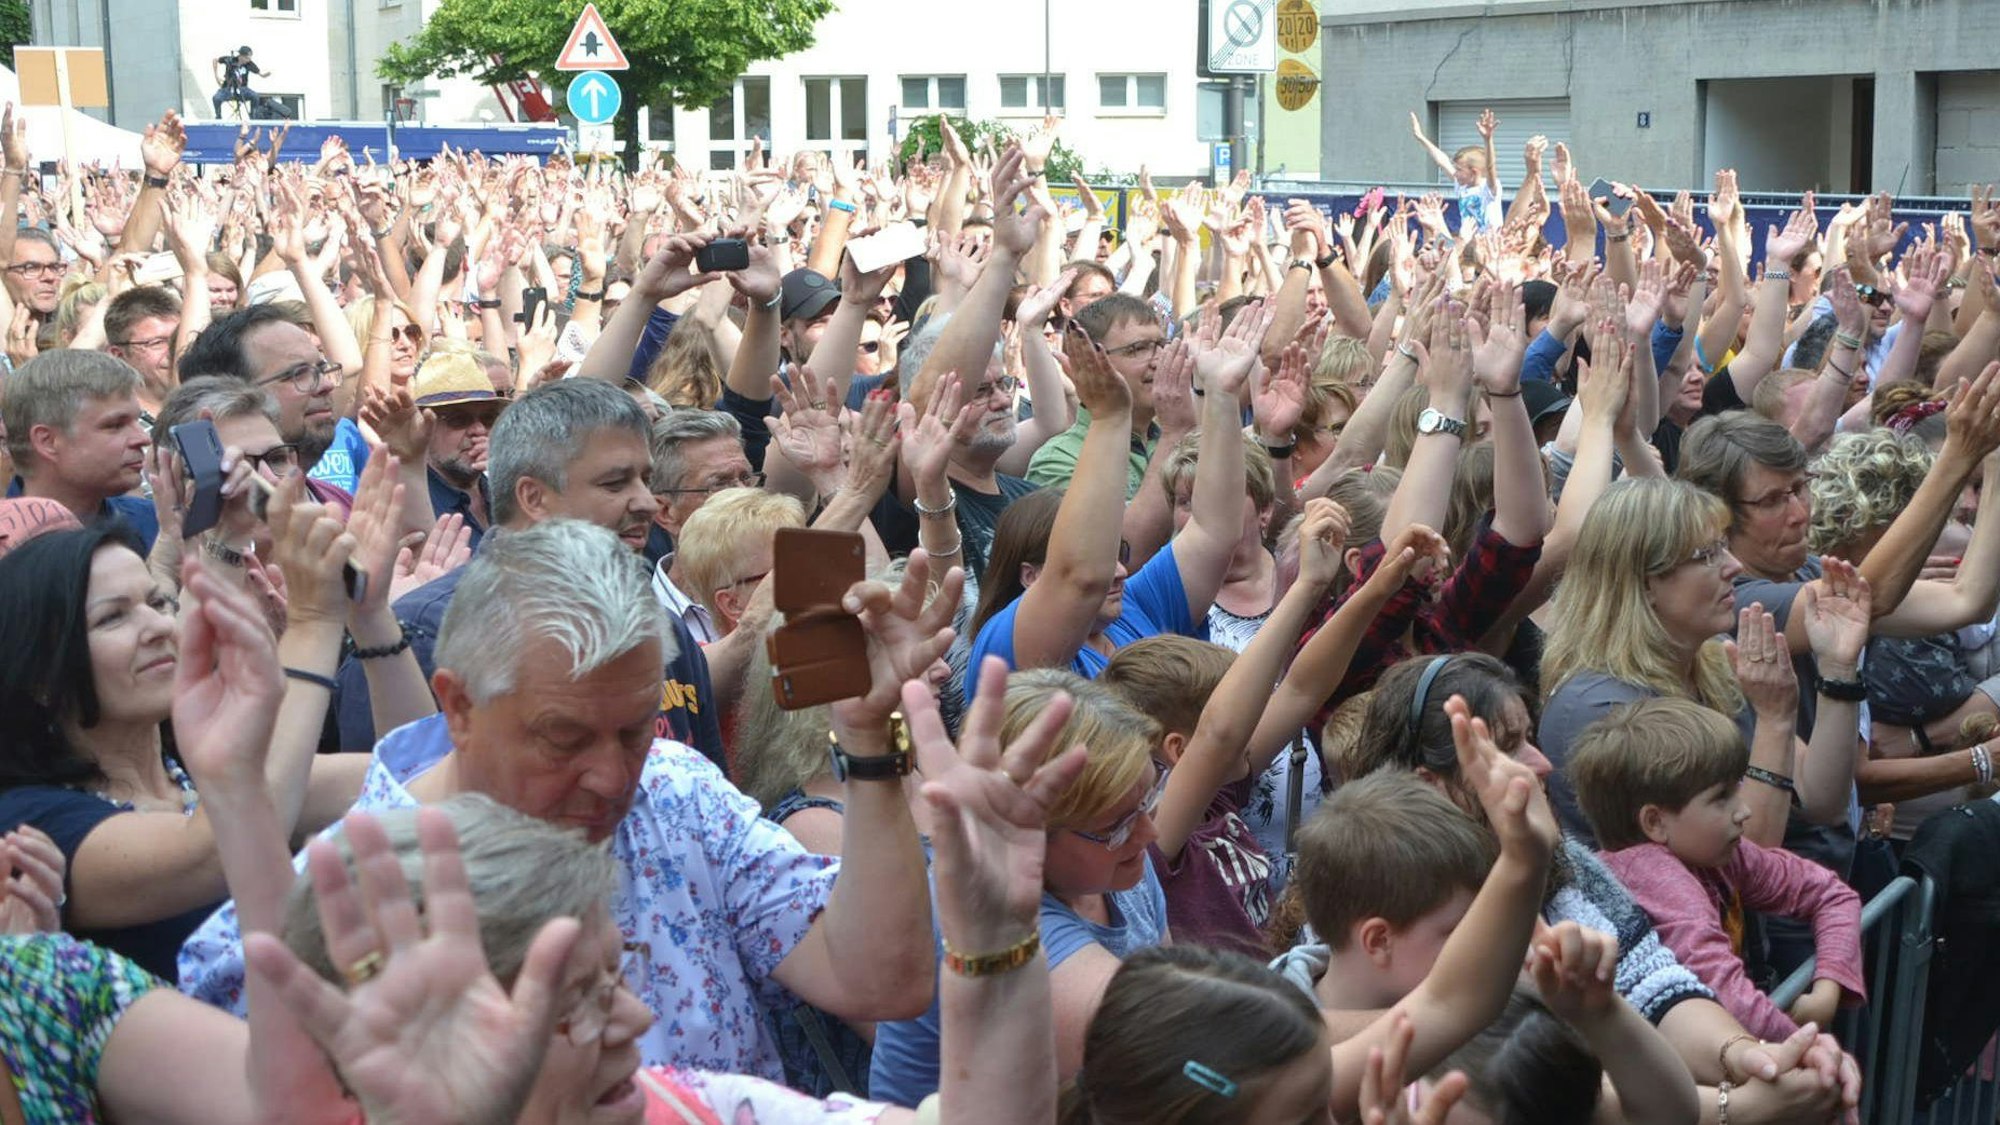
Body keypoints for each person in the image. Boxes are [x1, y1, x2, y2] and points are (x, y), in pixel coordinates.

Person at [185, 519, 948, 1086]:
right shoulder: (331, 904)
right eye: (564, 738)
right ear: (457, 705)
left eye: (632, 730)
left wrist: (868, 742)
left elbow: (879, 981)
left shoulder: (676, 788)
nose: (614, 778)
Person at [1347, 651, 1862, 1124]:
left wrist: (1753, 1054)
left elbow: (1657, 987)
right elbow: (1546, 1087)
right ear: (1430, 784)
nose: (1542, 763)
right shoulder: (1394, 909)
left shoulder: (1571, 866)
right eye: (1507, 748)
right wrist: (1737, 1108)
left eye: (1530, 738)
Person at [0, 471, 405, 980]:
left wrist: (369, 614)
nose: (157, 628)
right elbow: (226, 850)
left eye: (157, 602)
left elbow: (403, 772)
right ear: (39, 674)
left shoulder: (189, 770)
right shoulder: (29, 824)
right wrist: (314, 622)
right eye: (112, 618)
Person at [331, 379, 724, 764]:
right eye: (615, 483)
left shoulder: (661, 625)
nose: (646, 503)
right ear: (533, 498)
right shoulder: (420, 636)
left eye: (647, 479)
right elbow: (388, 805)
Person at [870, 668, 1168, 1104]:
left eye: (1147, 802)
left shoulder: (1118, 864)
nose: (1149, 833)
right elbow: (1171, 1061)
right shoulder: (991, 913)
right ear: (1025, 833)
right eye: (1117, 826)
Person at [1567, 696, 1866, 1040]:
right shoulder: (1656, 874)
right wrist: (1808, 1055)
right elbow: (1724, 996)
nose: (1744, 812)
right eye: (1721, 798)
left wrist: (1827, 987)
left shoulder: (1717, 854)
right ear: (1655, 822)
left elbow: (1830, 894)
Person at [2, 350, 160, 549]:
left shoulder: (157, 524)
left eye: (137, 421)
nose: (143, 438)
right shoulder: (7, 544)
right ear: (47, 441)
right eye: (115, 425)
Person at [211, 46, 280, 120]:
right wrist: (216, 76)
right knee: (216, 98)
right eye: (247, 58)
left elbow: (261, 74)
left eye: (250, 58)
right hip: (228, 88)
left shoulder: (249, 64)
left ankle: (253, 117)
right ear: (241, 56)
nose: (249, 60)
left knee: (255, 96)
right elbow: (215, 60)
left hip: (243, 89)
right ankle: (218, 117)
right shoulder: (230, 60)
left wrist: (266, 74)